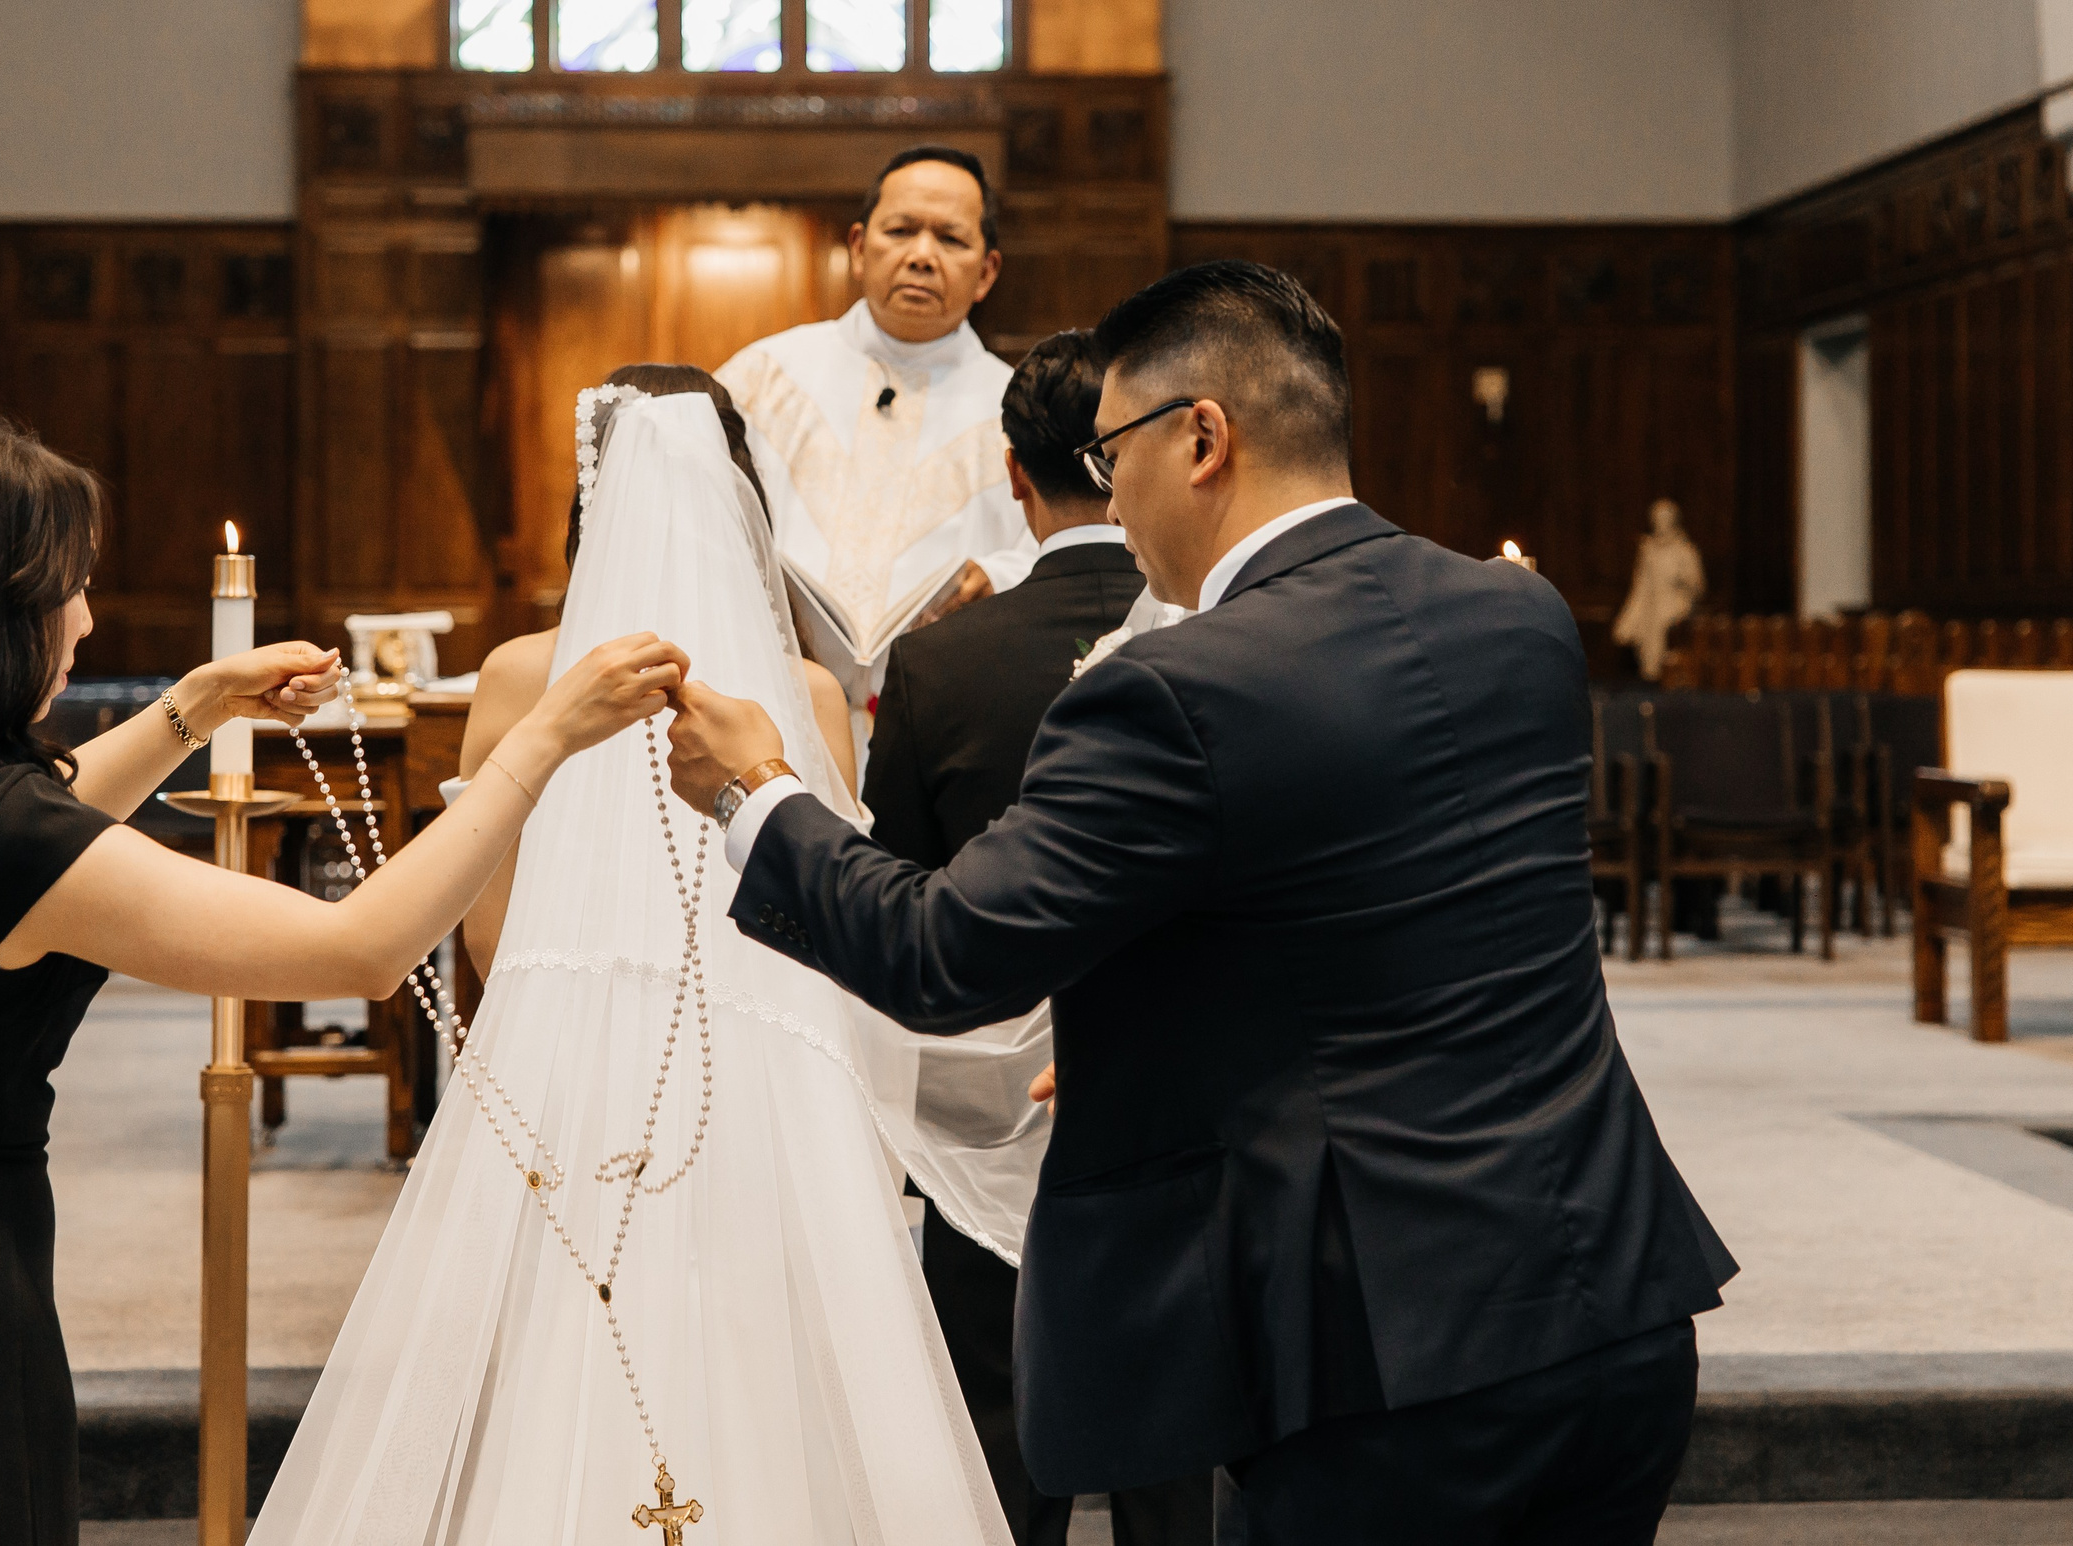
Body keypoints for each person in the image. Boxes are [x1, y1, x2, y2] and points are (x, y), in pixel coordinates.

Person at [665, 262, 1738, 1544]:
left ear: (1201, 438)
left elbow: (946, 952)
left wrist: (757, 793)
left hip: (1391, 1362)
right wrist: (1150, 1029)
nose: (1107, 494)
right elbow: (1389, 908)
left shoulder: (1176, 685)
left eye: (1111, 454)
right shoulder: (1516, 613)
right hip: (1611, 1290)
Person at [0, 415, 684, 1546]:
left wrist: (199, 704)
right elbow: (364, 946)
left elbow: (34, 820)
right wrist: (537, 741)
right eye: (71, 587)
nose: (87, 618)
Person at [251, 366, 1037, 1545]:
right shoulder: (810, 695)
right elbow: (831, 906)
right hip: (768, 1068)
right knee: (768, 1359)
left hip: (562, 1065)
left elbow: (483, 924)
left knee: (558, 1359)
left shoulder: (523, 674)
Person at [866, 330, 1208, 1545]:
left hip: (987, 1134)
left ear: (1013, 474)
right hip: (1189, 1109)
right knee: (1183, 1454)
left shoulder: (937, 662)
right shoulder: (1232, 639)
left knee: (1001, 1455)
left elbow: (897, 911)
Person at [715, 145, 1038, 711]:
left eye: (951, 239)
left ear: (986, 272)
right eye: (902, 230)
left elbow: (1071, 545)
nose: (921, 255)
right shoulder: (762, 377)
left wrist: (997, 575)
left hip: (942, 709)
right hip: (772, 698)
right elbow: (697, 513)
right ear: (860, 249)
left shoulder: (1024, 409)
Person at [1611, 497, 1705, 681]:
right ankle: (1651, 674)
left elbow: (1698, 587)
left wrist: (1682, 579)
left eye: (1665, 520)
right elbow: (1640, 584)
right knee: (1648, 624)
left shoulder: (1685, 551)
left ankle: (1667, 673)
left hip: (1677, 605)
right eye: (1658, 520)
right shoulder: (1648, 550)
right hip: (1651, 603)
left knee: (1665, 621)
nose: (1661, 525)